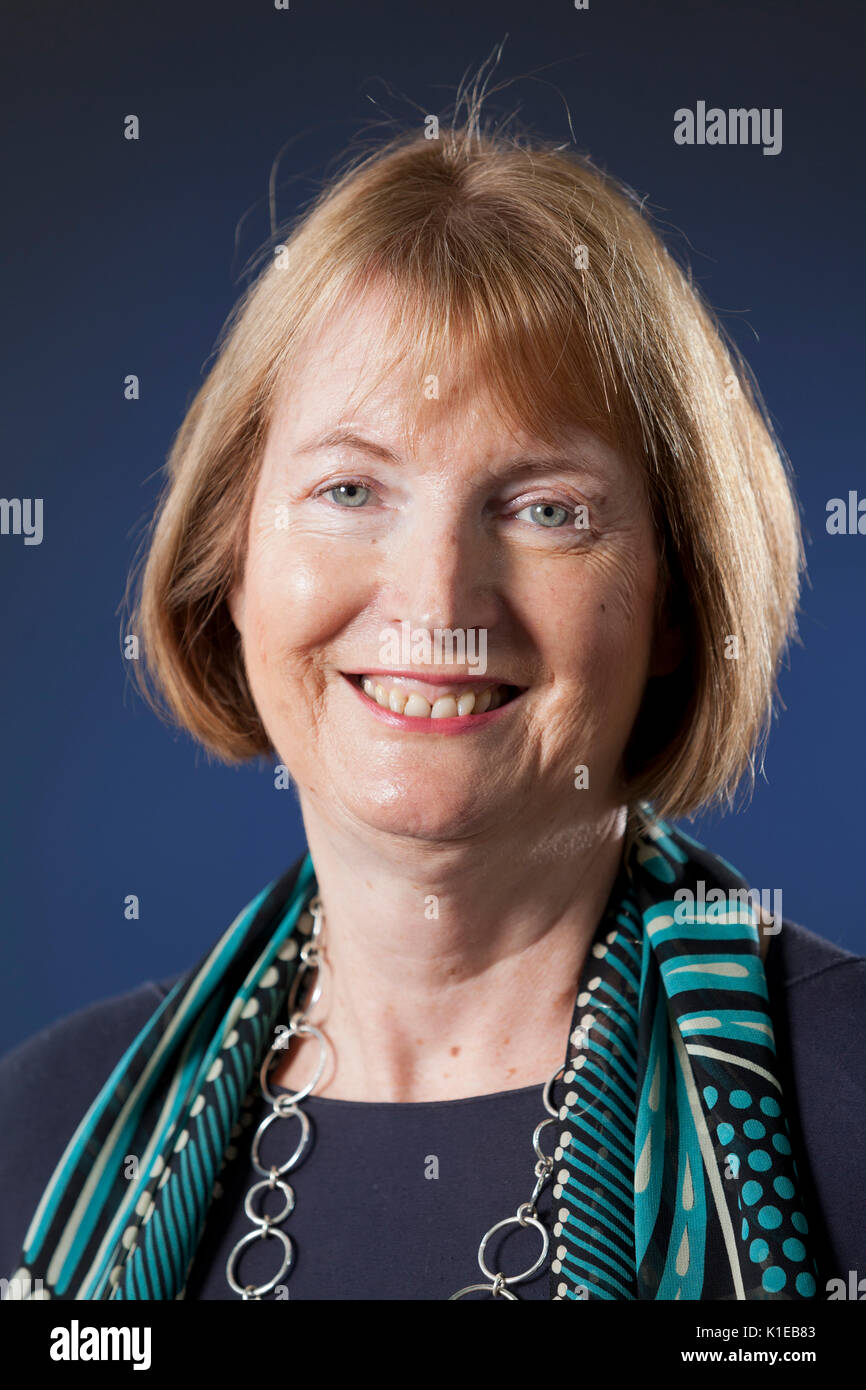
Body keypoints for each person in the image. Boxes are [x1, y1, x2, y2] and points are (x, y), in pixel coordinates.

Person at [2, 99, 865, 1303]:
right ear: (229, 566)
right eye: (350, 487)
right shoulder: (35, 1137)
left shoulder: (847, 1108)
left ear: (675, 598)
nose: (436, 596)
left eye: (546, 508)